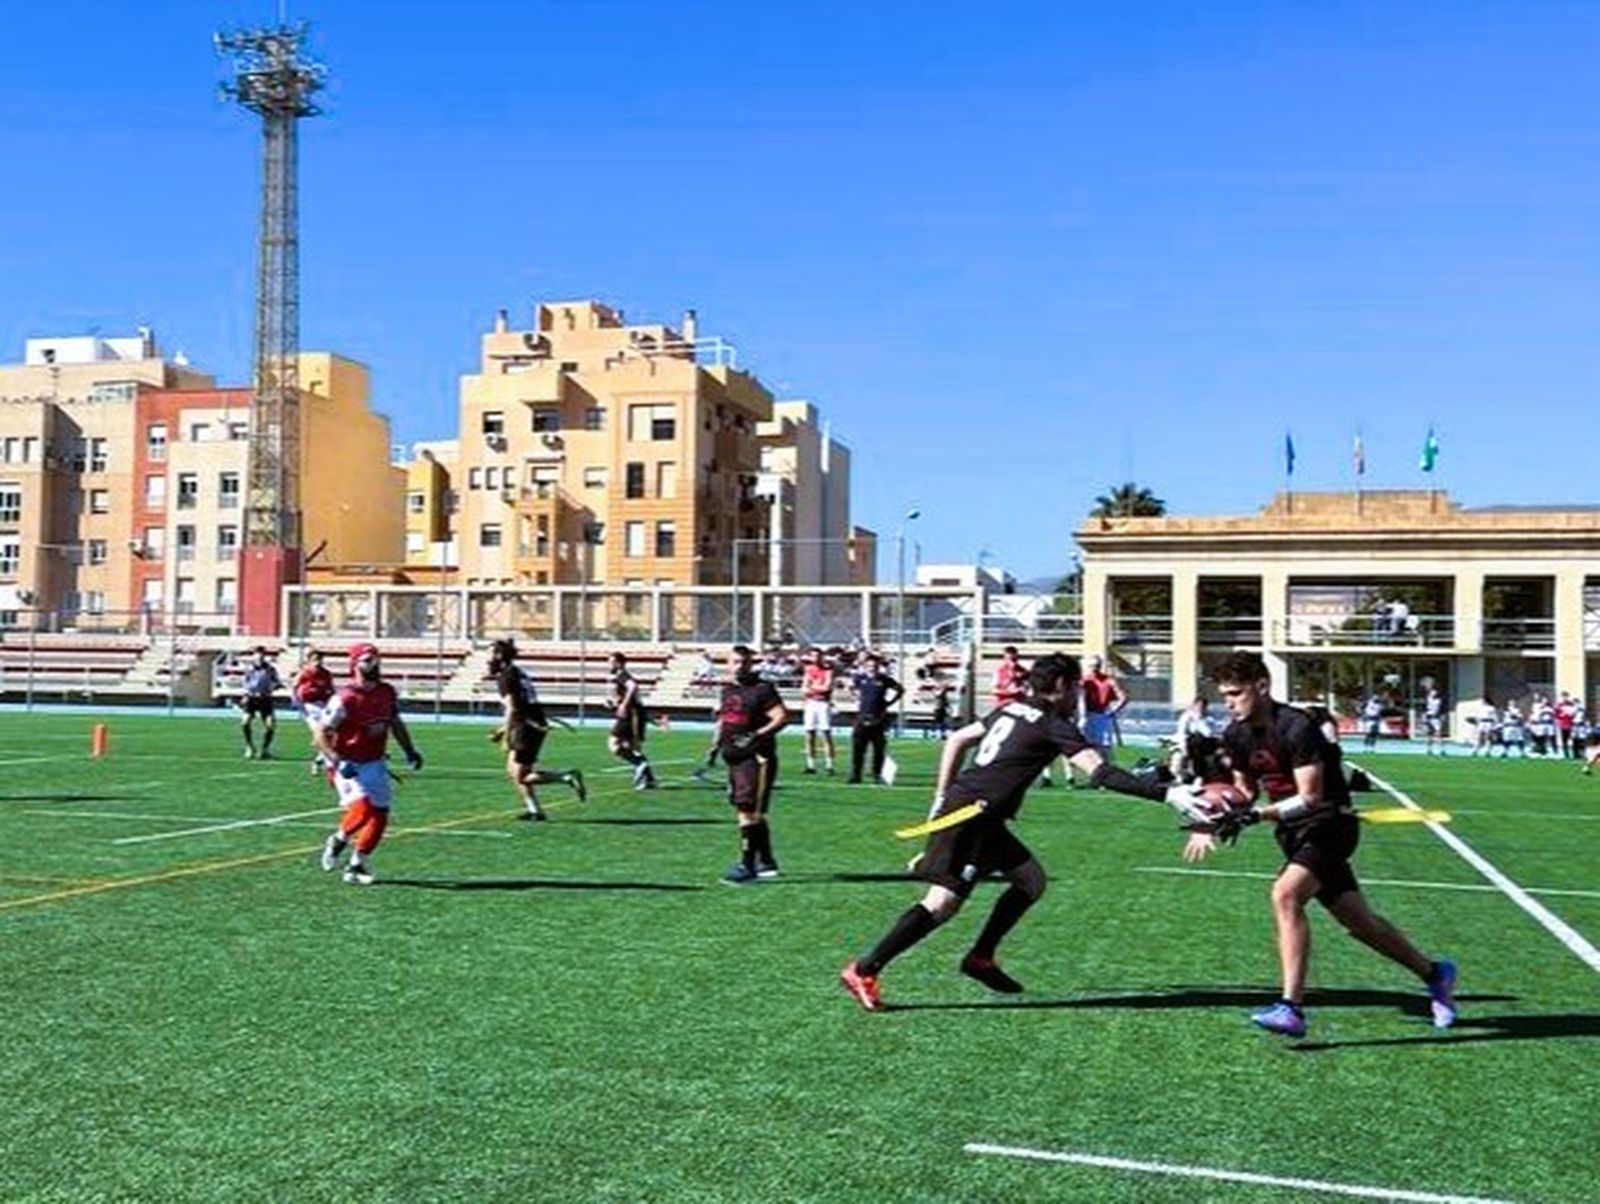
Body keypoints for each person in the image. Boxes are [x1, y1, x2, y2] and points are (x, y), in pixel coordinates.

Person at [839, 653, 1224, 1011]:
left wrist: (941, 798)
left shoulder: (1011, 708)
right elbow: (1102, 773)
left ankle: (980, 957)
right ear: (1062, 685)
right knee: (942, 903)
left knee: (1031, 881)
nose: (1078, 695)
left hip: (978, 813)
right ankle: (865, 969)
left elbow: (957, 739)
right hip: (973, 815)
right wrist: (1168, 794)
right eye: (1076, 686)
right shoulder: (1053, 724)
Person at [1202, 652, 1457, 1036]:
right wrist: (1215, 807)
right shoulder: (1235, 734)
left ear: (1262, 686)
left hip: (1330, 825)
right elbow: (1245, 790)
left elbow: (1310, 797)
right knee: (1360, 924)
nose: (1228, 702)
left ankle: (1291, 1007)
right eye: (1224, 695)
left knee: (1285, 895)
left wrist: (1255, 816)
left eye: (1236, 693)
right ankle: (1435, 974)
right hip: (1293, 834)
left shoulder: (1296, 726)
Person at [315, 643, 424, 886]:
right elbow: (320, 734)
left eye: (375, 659)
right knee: (363, 808)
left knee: (380, 815)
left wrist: (409, 749)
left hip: (374, 761)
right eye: (366, 659)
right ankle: (338, 841)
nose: (373, 664)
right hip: (348, 763)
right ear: (354, 664)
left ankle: (357, 863)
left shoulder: (386, 692)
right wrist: (336, 760)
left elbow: (395, 722)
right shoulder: (344, 698)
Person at [712, 645, 790, 884]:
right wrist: (715, 745)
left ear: (751, 664)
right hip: (734, 758)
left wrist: (757, 735)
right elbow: (724, 720)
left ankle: (747, 865)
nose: (739, 666)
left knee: (747, 810)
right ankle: (766, 861)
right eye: (735, 662)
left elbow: (781, 717)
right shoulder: (728, 690)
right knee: (751, 811)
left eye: (744, 662)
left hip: (756, 758)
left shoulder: (762, 689)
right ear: (728, 664)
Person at [490, 638, 585, 821]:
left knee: (521, 775)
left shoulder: (506, 677)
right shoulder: (517, 672)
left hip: (527, 727)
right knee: (513, 771)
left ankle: (566, 776)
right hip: (528, 723)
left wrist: (506, 737)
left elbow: (512, 708)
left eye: (490, 655)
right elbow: (521, 706)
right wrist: (501, 730)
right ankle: (535, 810)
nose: (488, 660)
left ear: (499, 656)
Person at [848, 655, 903, 784]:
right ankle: (856, 775)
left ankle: (877, 774)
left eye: (874, 666)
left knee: (878, 749)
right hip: (862, 717)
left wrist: (889, 703)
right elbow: (850, 688)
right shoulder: (860, 679)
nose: (872, 668)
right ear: (865, 667)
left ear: (878, 667)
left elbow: (900, 690)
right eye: (869, 666)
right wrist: (856, 697)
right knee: (858, 748)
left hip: (878, 718)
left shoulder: (885, 679)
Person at [607, 651, 657, 789]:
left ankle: (640, 764)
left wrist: (624, 705)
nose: (609, 664)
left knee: (614, 744)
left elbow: (633, 686)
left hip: (631, 715)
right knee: (633, 747)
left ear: (619, 663)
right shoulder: (621, 676)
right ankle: (649, 780)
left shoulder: (622, 674)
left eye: (611, 662)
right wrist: (615, 704)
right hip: (635, 713)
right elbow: (634, 696)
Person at [292, 649, 336, 776]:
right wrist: (296, 702)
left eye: (320, 659)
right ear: (309, 661)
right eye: (315, 659)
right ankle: (328, 764)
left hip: (323, 706)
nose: (318, 662)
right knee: (321, 734)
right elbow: (295, 686)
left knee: (330, 736)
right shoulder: (305, 673)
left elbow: (331, 689)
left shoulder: (326, 674)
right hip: (309, 706)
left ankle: (318, 761)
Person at [238, 646, 283, 760]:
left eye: (261, 654)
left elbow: (277, 683)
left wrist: (272, 687)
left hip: (265, 698)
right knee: (245, 722)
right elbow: (245, 683)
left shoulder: (270, 669)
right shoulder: (249, 669)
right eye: (257, 654)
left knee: (270, 725)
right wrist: (245, 695)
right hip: (251, 698)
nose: (259, 657)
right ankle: (249, 747)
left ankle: (265, 749)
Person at [800, 646, 838, 775]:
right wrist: (815, 687)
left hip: (823, 703)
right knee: (809, 734)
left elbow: (826, 687)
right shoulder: (808, 670)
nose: (816, 658)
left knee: (826, 733)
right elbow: (803, 689)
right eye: (813, 656)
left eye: (818, 656)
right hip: (810, 703)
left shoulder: (828, 670)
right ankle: (810, 765)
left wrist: (812, 687)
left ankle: (829, 765)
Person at [1079, 654, 1128, 751]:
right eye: (1091, 666)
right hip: (1086, 716)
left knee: (1104, 747)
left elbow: (1123, 698)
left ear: (1100, 666)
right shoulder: (1084, 681)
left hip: (1102, 716)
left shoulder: (1109, 681)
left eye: (1096, 665)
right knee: (1086, 747)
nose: (1094, 668)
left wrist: (1112, 711)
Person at [991, 646, 1027, 710]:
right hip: (1004, 703)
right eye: (1010, 659)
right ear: (1005, 659)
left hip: (1019, 703)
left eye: (1014, 659)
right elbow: (994, 690)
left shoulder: (1023, 671)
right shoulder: (999, 671)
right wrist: (1010, 692)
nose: (1012, 662)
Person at [1421, 682, 1447, 756]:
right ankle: (1430, 749)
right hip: (1430, 717)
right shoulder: (1430, 699)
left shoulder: (1438, 700)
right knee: (1431, 734)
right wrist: (1424, 717)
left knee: (1437, 733)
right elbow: (1425, 707)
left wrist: (1442, 716)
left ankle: (1441, 749)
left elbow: (1441, 709)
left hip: (1434, 717)